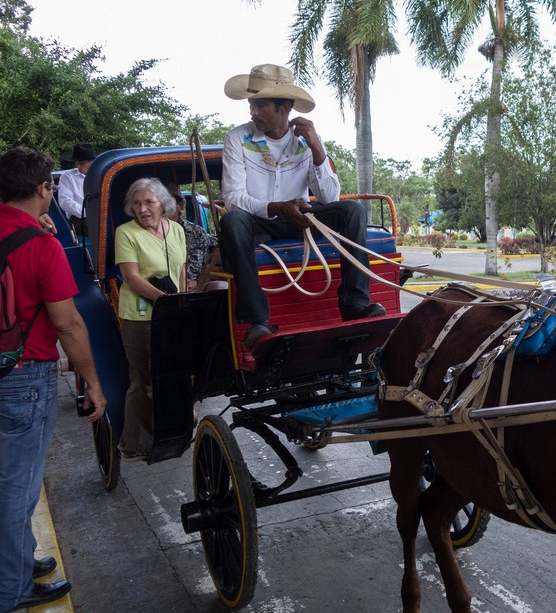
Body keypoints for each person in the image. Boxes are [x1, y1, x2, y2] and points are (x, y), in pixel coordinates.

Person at [0, 147, 106, 613]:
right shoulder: (40, 245)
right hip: (24, 376)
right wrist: (92, 383)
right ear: (45, 189)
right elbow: (68, 325)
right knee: (17, 488)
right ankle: (11, 586)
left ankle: (17, 563)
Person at [221, 63, 384, 350]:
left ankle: (355, 304)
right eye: (252, 105)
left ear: (284, 108)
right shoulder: (237, 138)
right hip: (258, 220)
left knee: (352, 212)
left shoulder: (307, 141)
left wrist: (318, 150)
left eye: (260, 106)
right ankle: (257, 321)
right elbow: (234, 198)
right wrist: (277, 207)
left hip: (301, 218)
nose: (253, 112)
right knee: (232, 221)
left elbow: (331, 198)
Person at [114, 178, 185, 461]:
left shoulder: (176, 229)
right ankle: (135, 443)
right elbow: (130, 277)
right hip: (140, 316)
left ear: (163, 205)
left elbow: (179, 270)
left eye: (149, 202)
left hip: (173, 312)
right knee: (143, 380)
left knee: (174, 374)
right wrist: (162, 300)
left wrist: (182, 300)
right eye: (137, 203)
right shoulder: (125, 232)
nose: (142, 209)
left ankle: (172, 432)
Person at [166, 186, 219, 291]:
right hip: (164, 287)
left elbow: (208, 265)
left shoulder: (196, 232)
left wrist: (197, 282)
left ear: (180, 206)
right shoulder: (148, 234)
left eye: (167, 202)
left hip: (197, 286)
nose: (162, 207)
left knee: (221, 287)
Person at [56, 142, 96, 233]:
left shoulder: (101, 176)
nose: (77, 166)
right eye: (76, 162)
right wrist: (87, 213)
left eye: (81, 163)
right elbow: (65, 201)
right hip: (79, 218)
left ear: (91, 162)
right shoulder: (67, 176)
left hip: (100, 216)